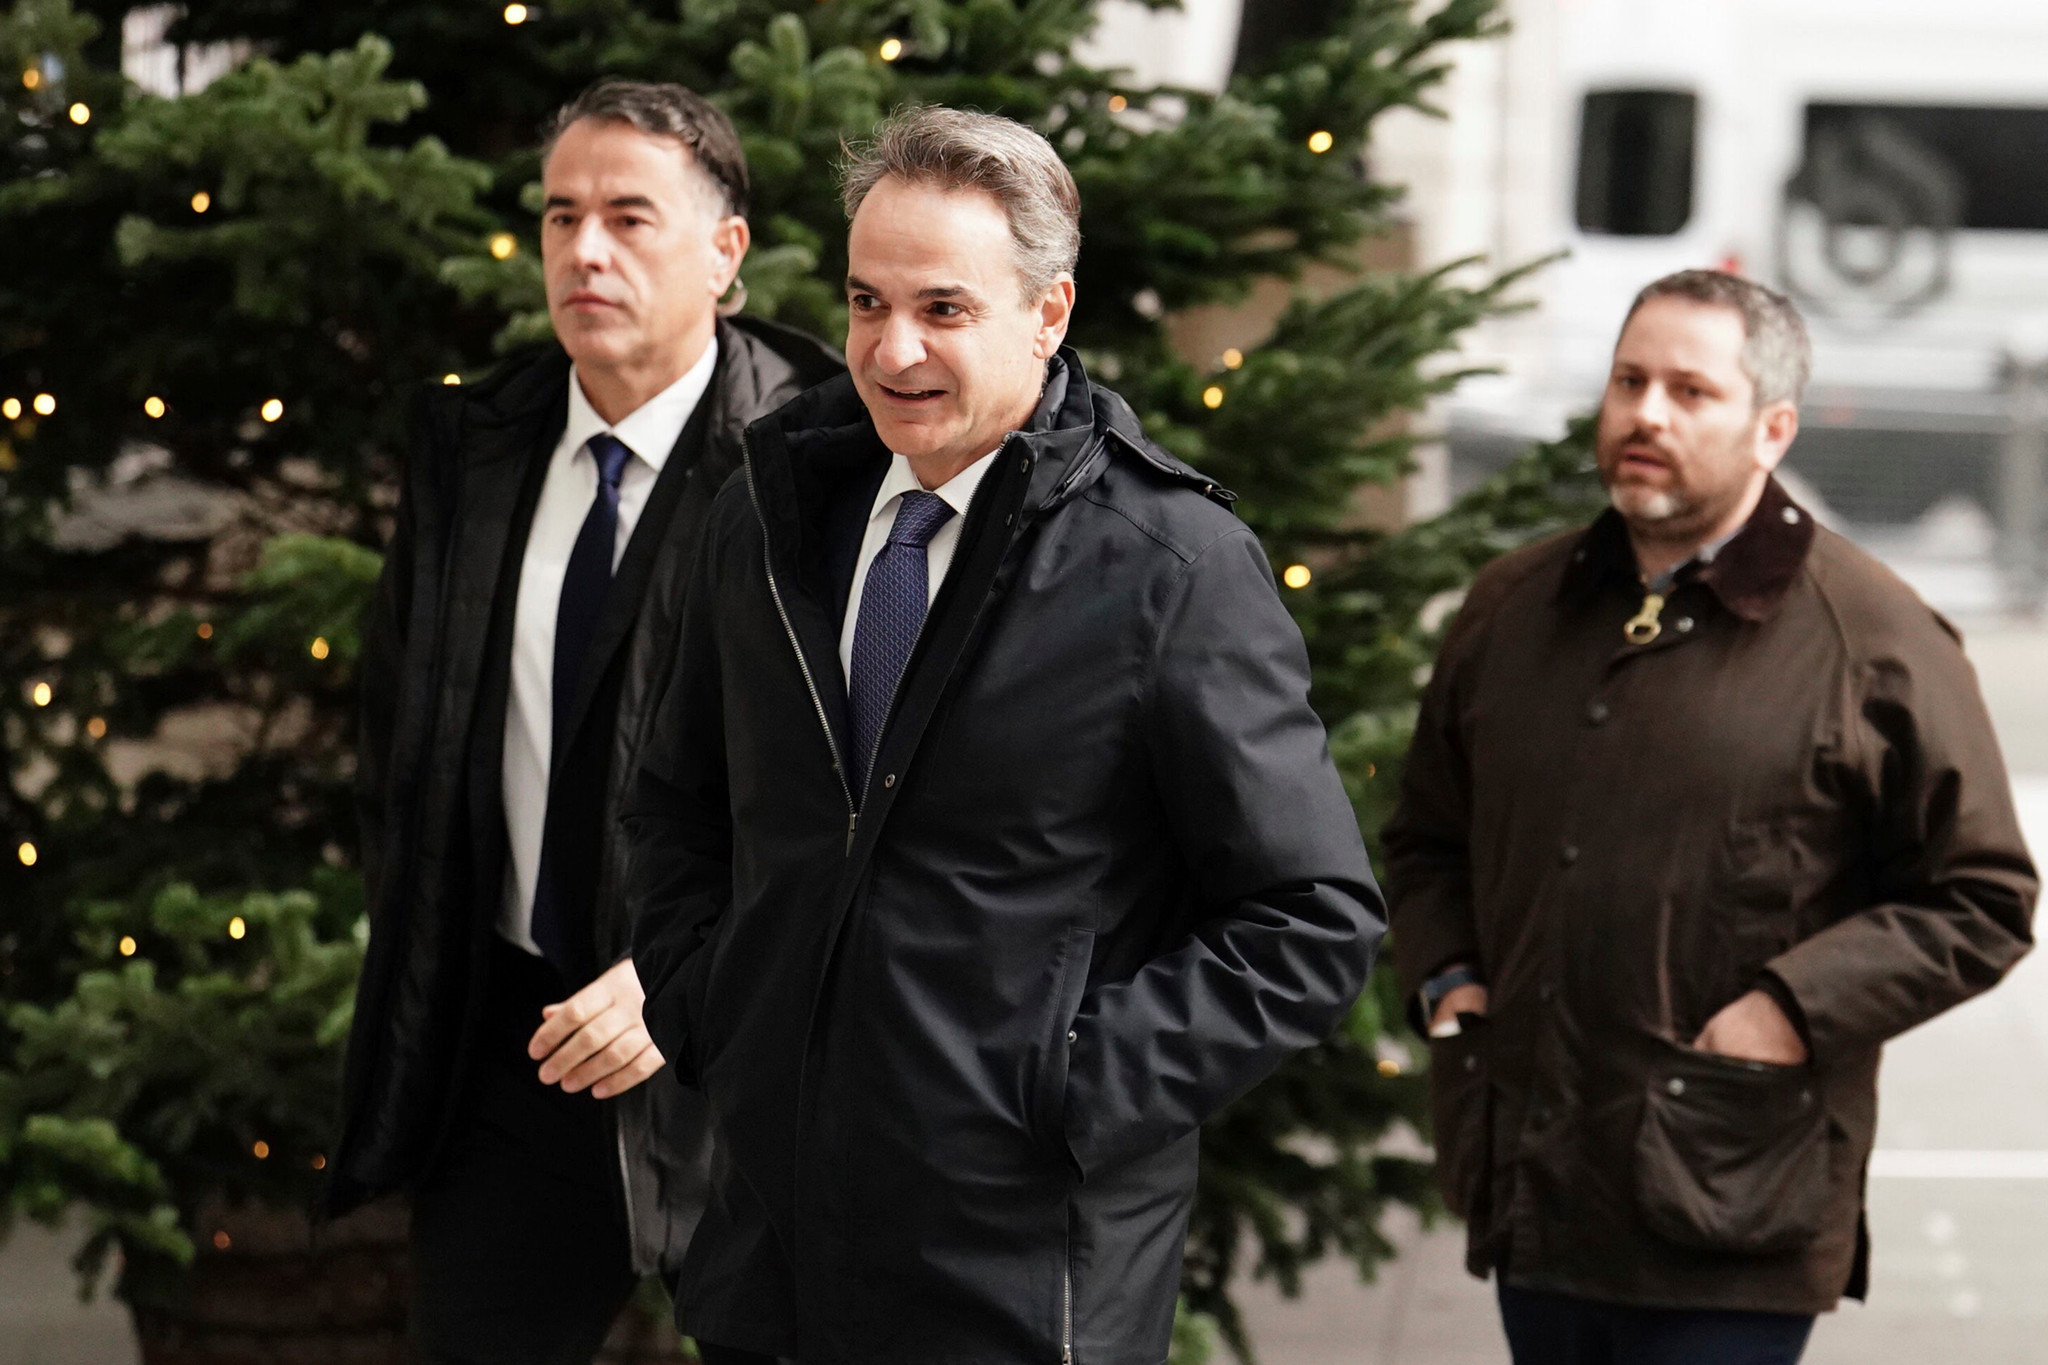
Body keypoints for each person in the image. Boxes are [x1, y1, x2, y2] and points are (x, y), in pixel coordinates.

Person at [622, 106, 1383, 1365]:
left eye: (943, 309)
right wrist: (715, 1009)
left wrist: (1060, 1086)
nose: (891, 349)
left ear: (1048, 312)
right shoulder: (764, 519)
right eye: (866, 303)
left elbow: (1309, 919)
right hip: (771, 1259)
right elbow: (676, 805)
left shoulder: (1169, 568)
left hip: (1019, 1280)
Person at [1384, 268, 2038, 1365]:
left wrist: (1784, 1010)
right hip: (1533, 1186)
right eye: (1627, 381)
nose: (1645, 413)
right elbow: (1425, 835)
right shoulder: (1510, 607)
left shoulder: (1872, 639)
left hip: (1734, 1195)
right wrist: (1449, 980)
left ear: (1771, 428)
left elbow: (1981, 899)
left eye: (1691, 391)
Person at [324, 79, 841, 1365]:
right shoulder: (474, 442)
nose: (585, 251)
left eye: (627, 215)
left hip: (741, 1064)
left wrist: (691, 971)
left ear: (726, 251)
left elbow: (855, 794)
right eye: (561, 218)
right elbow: (402, 724)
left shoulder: (818, 463)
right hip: (516, 1055)